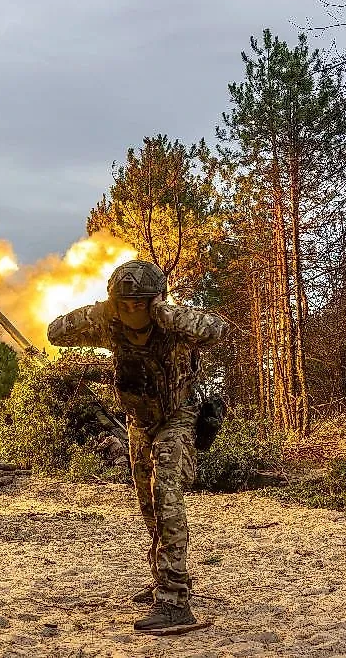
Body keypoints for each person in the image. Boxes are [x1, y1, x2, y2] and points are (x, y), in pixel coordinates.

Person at [47, 259, 228, 631]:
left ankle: (176, 603)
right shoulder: (113, 328)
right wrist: (102, 309)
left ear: (156, 302)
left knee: (166, 497)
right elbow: (56, 333)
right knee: (148, 504)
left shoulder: (174, 329)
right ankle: (165, 578)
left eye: (140, 304)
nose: (132, 312)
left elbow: (217, 329)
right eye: (124, 305)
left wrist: (165, 310)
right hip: (140, 423)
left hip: (179, 417)